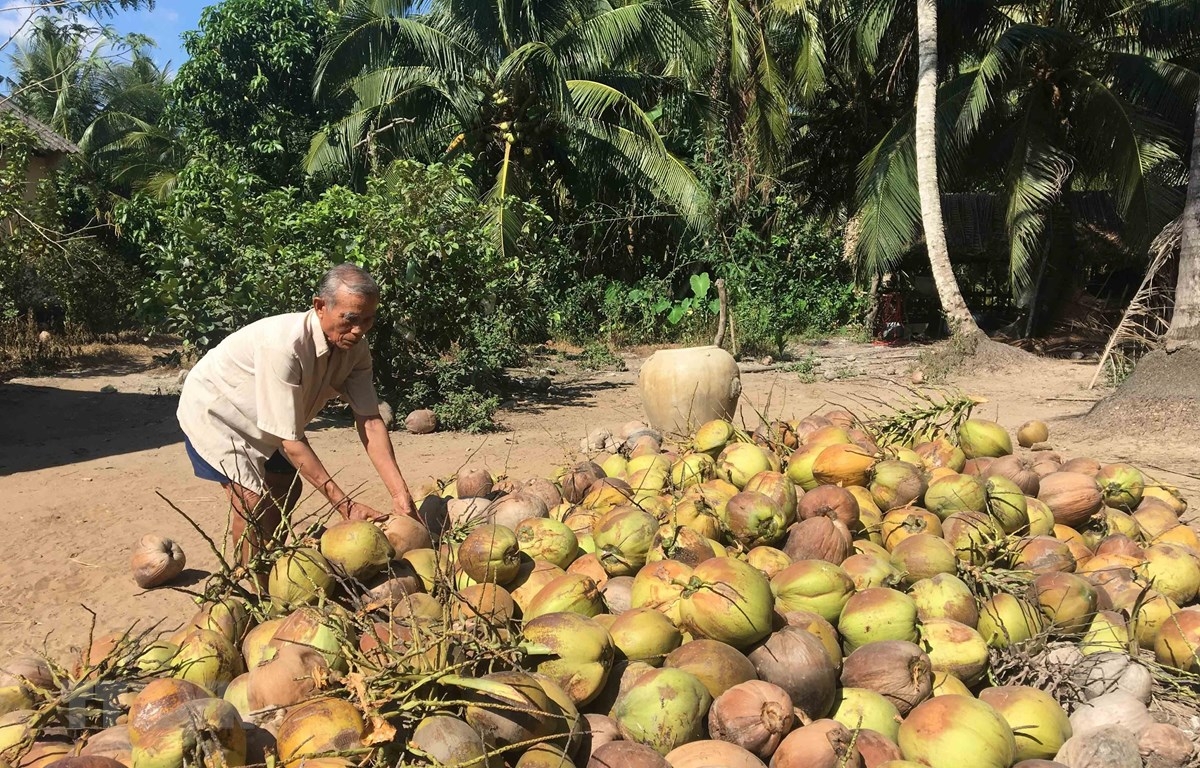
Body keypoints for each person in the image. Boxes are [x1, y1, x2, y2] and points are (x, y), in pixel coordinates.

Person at [177, 263, 417, 567]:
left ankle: (269, 559)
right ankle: (247, 581)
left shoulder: (356, 349)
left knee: (286, 486)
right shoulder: (284, 346)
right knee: (250, 500)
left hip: (268, 417)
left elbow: (369, 420)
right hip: (217, 410)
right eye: (351, 319)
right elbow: (291, 441)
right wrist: (345, 505)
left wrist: (400, 495)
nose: (359, 330)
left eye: (368, 320)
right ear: (320, 306)